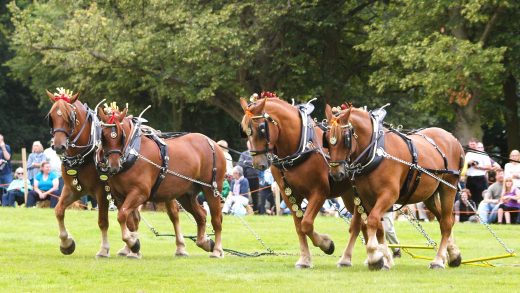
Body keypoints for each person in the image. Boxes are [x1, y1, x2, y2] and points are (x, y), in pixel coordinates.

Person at [463, 139, 493, 206]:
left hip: (480, 178)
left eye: (473, 144)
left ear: (477, 144)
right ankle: (473, 215)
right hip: (470, 178)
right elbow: (464, 167)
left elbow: (489, 167)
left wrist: (478, 167)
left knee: (481, 198)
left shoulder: (483, 154)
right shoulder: (468, 154)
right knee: (470, 198)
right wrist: (469, 164)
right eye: (471, 144)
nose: (472, 146)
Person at [238, 141, 260, 213]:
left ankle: (256, 210)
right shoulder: (244, 154)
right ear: (247, 145)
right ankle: (245, 211)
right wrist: (251, 163)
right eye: (249, 144)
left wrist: (246, 162)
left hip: (255, 177)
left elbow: (258, 163)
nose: (250, 145)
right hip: (245, 178)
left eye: (251, 144)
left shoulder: (257, 153)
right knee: (244, 194)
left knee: (255, 195)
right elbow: (240, 164)